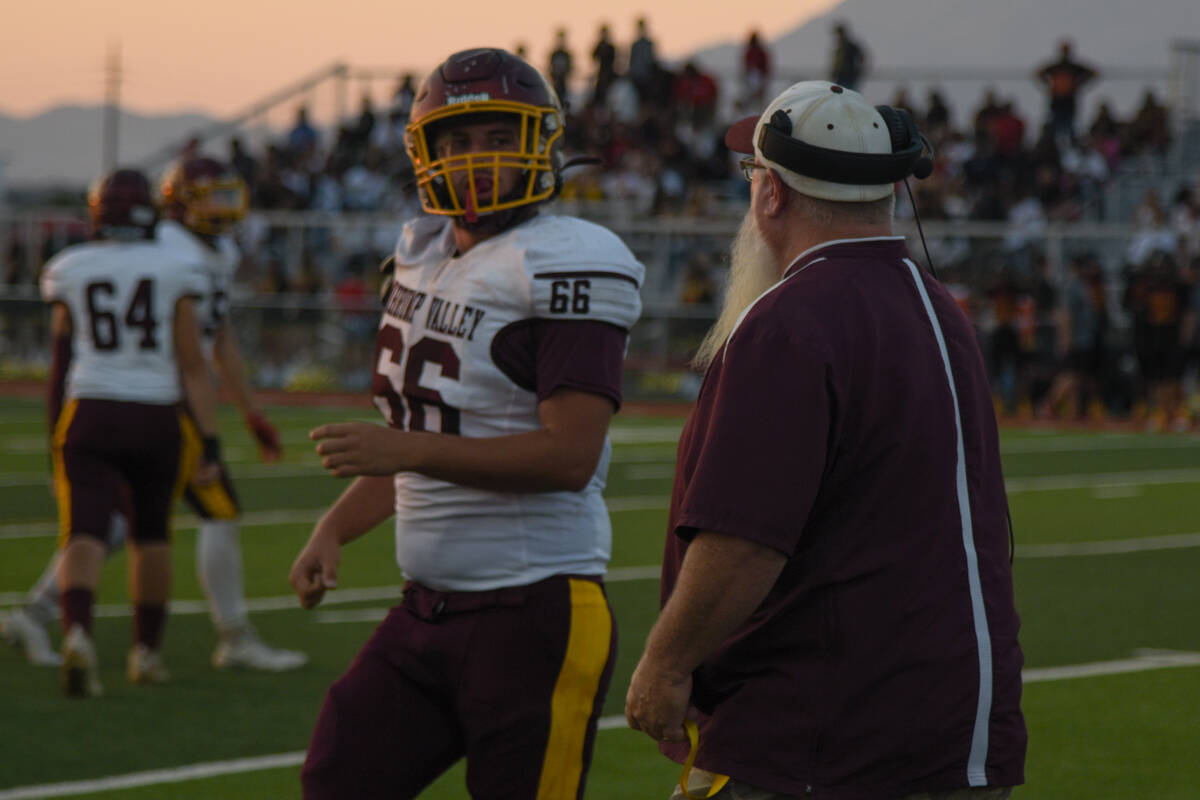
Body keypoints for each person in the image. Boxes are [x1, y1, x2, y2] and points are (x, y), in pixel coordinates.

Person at [625, 81, 1026, 799]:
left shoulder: (790, 322)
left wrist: (667, 666)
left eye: (753, 176)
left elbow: (745, 539)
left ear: (771, 194)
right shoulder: (938, 308)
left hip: (823, 738)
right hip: (943, 728)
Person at [289, 47, 643, 799]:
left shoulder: (564, 258)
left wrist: (401, 449)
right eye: (455, 141)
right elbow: (431, 433)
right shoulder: (419, 252)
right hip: (426, 612)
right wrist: (333, 528)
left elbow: (570, 456)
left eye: (494, 137)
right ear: (424, 150)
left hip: (535, 610)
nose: (473, 158)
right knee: (336, 778)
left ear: (538, 143)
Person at [3, 157, 307, 673]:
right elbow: (187, 351)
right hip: (160, 401)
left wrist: (252, 412)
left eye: (225, 195)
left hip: (152, 401)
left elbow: (220, 340)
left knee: (120, 522)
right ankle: (230, 635)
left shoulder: (217, 252)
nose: (221, 208)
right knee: (210, 512)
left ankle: (36, 613)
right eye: (209, 196)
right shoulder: (163, 249)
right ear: (176, 202)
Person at [37, 168, 222, 695]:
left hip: (90, 409)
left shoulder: (70, 268)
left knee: (84, 532)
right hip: (154, 413)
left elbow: (60, 360)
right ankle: (146, 653)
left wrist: (56, 434)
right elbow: (192, 364)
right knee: (151, 534)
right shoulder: (174, 269)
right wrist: (209, 439)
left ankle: (78, 635)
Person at [1035, 39, 1097, 146]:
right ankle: (1053, 145)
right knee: (1055, 125)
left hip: (1068, 100)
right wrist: (1051, 85)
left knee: (1070, 126)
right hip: (1057, 100)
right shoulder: (1056, 67)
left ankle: (1070, 145)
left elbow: (1093, 73)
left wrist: (1078, 84)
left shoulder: (1073, 67)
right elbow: (1038, 73)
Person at [829, 21, 867, 90]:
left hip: (848, 77)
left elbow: (862, 57)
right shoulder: (841, 47)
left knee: (847, 94)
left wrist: (858, 71)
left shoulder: (849, 46)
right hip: (841, 76)